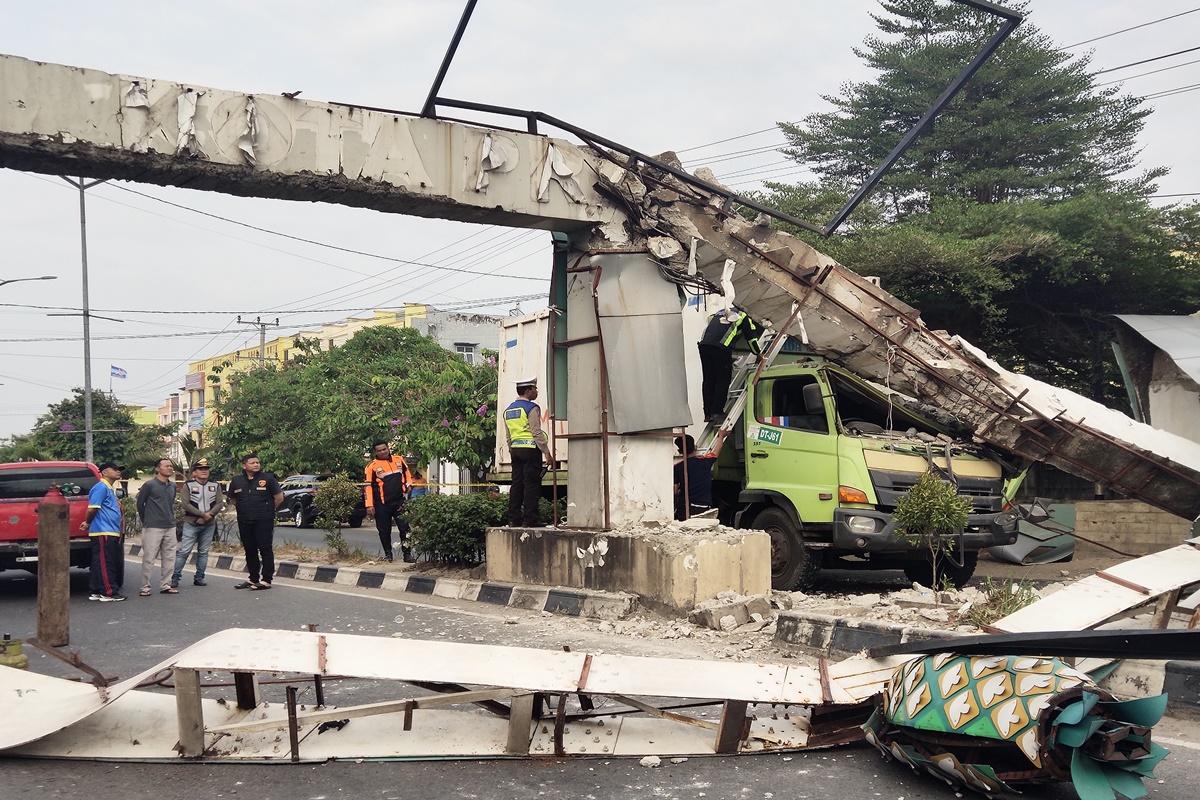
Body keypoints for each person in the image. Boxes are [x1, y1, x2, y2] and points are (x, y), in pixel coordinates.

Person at [226, 453, 283, 590]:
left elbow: (279, 497)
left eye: (257, 462)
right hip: (244, 520)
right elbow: (233, 499)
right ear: (244, 465)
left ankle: (266, 580)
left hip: (264, 520)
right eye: (252, 463)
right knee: (249, 549)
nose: (256, 464)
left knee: (265, 548)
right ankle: (253, 578)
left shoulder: (268, 478)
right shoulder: (237, 481)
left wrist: (267, 510)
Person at [504, 377, 554, 528]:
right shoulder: (532, 408)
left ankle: (514, 519)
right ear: (528, 391)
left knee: (517, 484)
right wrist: (547, 453)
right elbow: (536, 432)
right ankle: (530, 519)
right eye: (534, 389)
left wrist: (512, 451)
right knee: (531, 484)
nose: (536, 392)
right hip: (531, 450)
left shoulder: (509, 410)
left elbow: (508, 436)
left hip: (515, 451)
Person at [698, 307, 762, 421]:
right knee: (722, 380)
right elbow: (751, 339)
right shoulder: (744, 317)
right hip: (721, 347)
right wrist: (758, 354)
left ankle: (707, 414)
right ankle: (717, 412)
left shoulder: (721, 312)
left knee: (709, 380)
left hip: (704, 346)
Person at [171, 457, 225, 588]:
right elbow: (185, 504)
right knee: (184, 551)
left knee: (203, 552)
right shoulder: (188, 485)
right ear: (194, 472)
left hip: (209, 524)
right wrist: (202, 515)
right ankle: (175, 578)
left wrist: (209, 515)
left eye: (206, 469)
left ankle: (199, 577)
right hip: (191, 523)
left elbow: (219, 503)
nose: (204, 471)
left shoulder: (215, 485)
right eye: (200, 469)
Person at [83, 461, 126, 602]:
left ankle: (95, 590)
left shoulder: (108, 488)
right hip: (104, 530)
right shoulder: (101, 487)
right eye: (115, 469)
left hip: (109, 530)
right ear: (104, 472)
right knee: (107, 562)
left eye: (119, 469)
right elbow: (92, 508)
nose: (118, 471)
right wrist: (87, 522)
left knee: (99, 562)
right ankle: (109, 592)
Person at [136, 457, 178, 597]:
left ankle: (166, 585)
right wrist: (146, 521)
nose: (170, 468)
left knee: (169, 557)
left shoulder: (172, 486)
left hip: (170, 526)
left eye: (171, 466)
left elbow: (170, 503)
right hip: (153, 527)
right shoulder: (149, 485)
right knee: (149, 558)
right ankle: (145, 587)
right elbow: (140, 504)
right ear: (157, 469)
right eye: (166, 466)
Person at [364, 441, 411, 563]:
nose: (382, 452)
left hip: (399, 502)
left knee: (405, 529)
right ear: (375, 452)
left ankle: (407, 555)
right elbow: (368, 487)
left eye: (384, 449)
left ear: (388, 449)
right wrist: (369, 505)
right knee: (384, 531)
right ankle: (388, 555)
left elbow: (406, 473)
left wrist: (408, 485)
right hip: (382, 504)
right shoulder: (371, 466)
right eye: (379, 450)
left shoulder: (399, 460)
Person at [673, 435, 714, 520]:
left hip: (686, 509)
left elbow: (675, 492)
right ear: (695, 447)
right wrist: (721, 436)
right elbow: (716, 452)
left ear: (679, 451)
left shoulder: (677, 467)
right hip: (704, 508)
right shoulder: (706, 461)